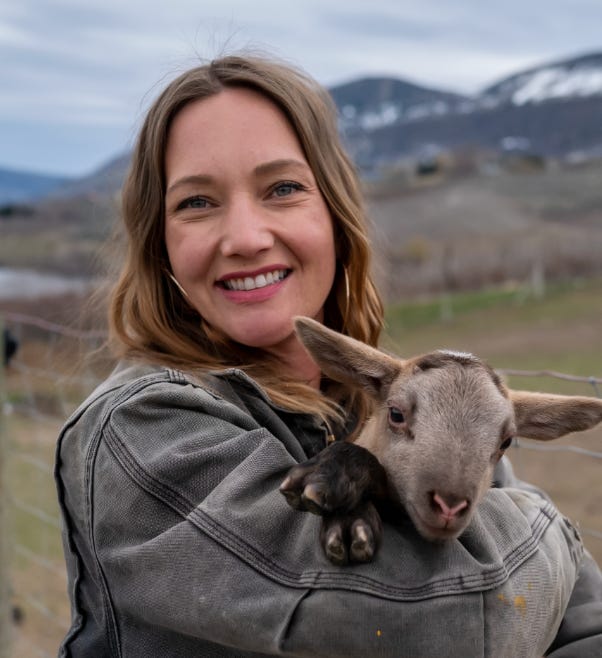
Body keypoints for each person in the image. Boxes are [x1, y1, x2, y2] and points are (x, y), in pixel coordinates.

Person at [55, 54, 601, 657]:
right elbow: (454, 620)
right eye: (197, 203)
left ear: (336, 216)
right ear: (160, 245)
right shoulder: (141, 429)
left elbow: (584, 629)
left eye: (283, 189)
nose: (244, 237)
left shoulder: (420, 411)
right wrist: (557, 535)